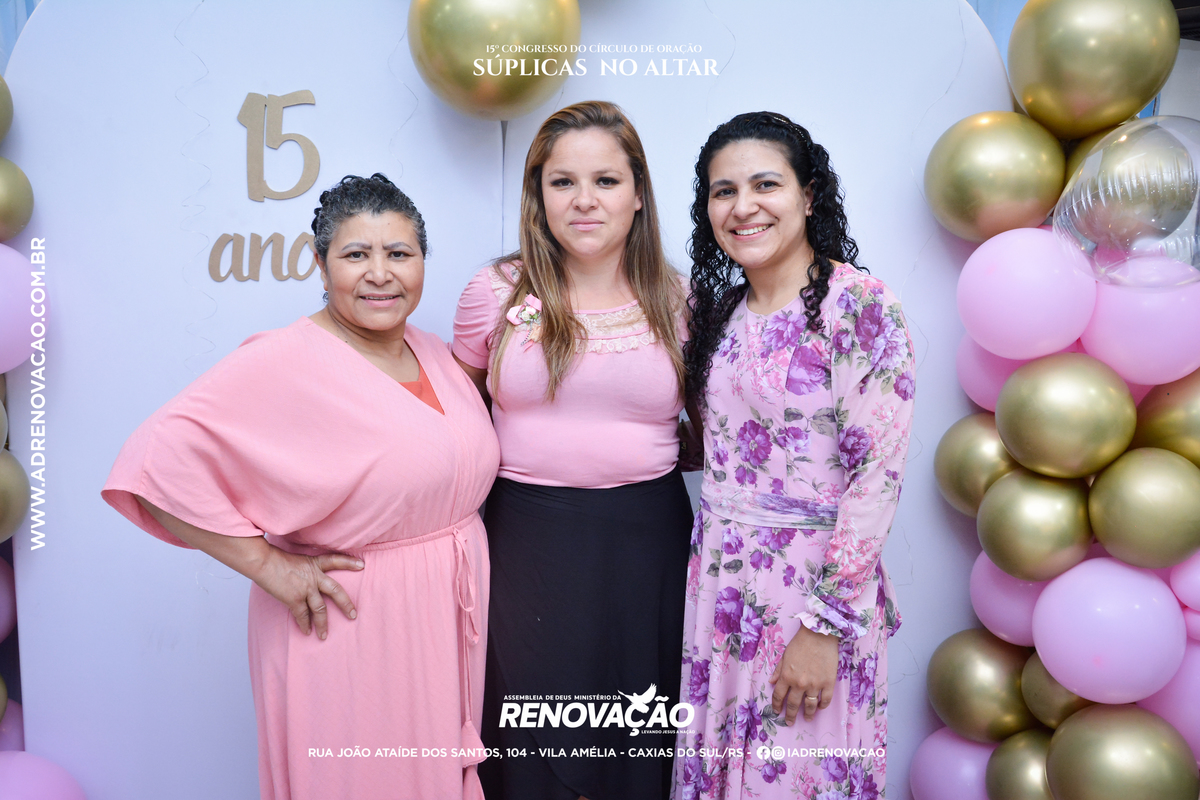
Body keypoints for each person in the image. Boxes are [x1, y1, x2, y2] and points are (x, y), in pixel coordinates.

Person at [102, 174, 501, 800]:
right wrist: (268, 566)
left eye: (399, 253)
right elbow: (155, 463)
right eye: (356, 254)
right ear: (320, 264)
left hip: (439, 623)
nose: (380, 274)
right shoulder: (286, 359)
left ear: (422, 262)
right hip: (350, 628)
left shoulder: (434, 353)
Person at [452, 100, 692, 800]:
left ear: (638, 193)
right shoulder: (494, 292)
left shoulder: (678, 298)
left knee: (635, 742)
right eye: (563, 182)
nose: (584, 200)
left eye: (606, 181)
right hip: (526, 541)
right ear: (539, 195)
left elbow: (719, 429)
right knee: (531, 737)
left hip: (647, 545)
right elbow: (452, 422)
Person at [672, 112, 914, 799]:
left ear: (808, 196)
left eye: (765, 185)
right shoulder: (717, 314)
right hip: (720, 588)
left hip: (811, 596)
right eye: (723, 191)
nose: (742, 206)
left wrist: (823, 628)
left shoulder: (858, 306)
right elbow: (713, 446)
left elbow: (877, 476)